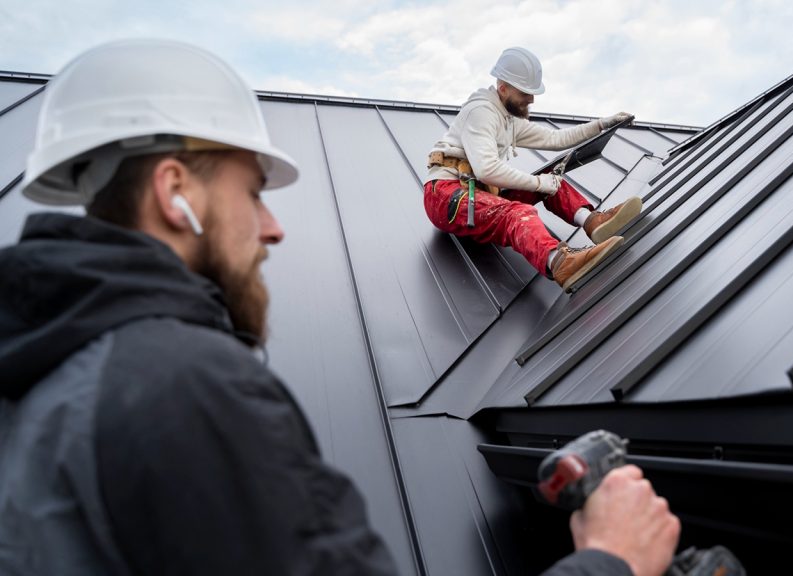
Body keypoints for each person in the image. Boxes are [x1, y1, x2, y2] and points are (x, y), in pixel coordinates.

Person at [0, 40, 680, 576]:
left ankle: (587, 226)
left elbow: (552, 144)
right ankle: (561, 257)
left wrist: (599, 126)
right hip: (462, 193)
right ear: (174, 192)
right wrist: (609, 561)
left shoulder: (46, 390)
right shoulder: (181, 384)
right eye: (253, 193)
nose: (275, 228)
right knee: (519, 209)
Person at [423, 47, 644, 292]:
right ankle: (560, 263)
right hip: (446, 196)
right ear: (503, 88)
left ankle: (593, 222)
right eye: (525, 93)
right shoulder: (481, 112)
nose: (531, 99)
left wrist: (601, 124)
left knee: (550, 182)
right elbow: (487, 170)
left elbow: (555, 138)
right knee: (517, 213)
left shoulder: (507, 119)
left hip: (477, 196)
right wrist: (538, 184)